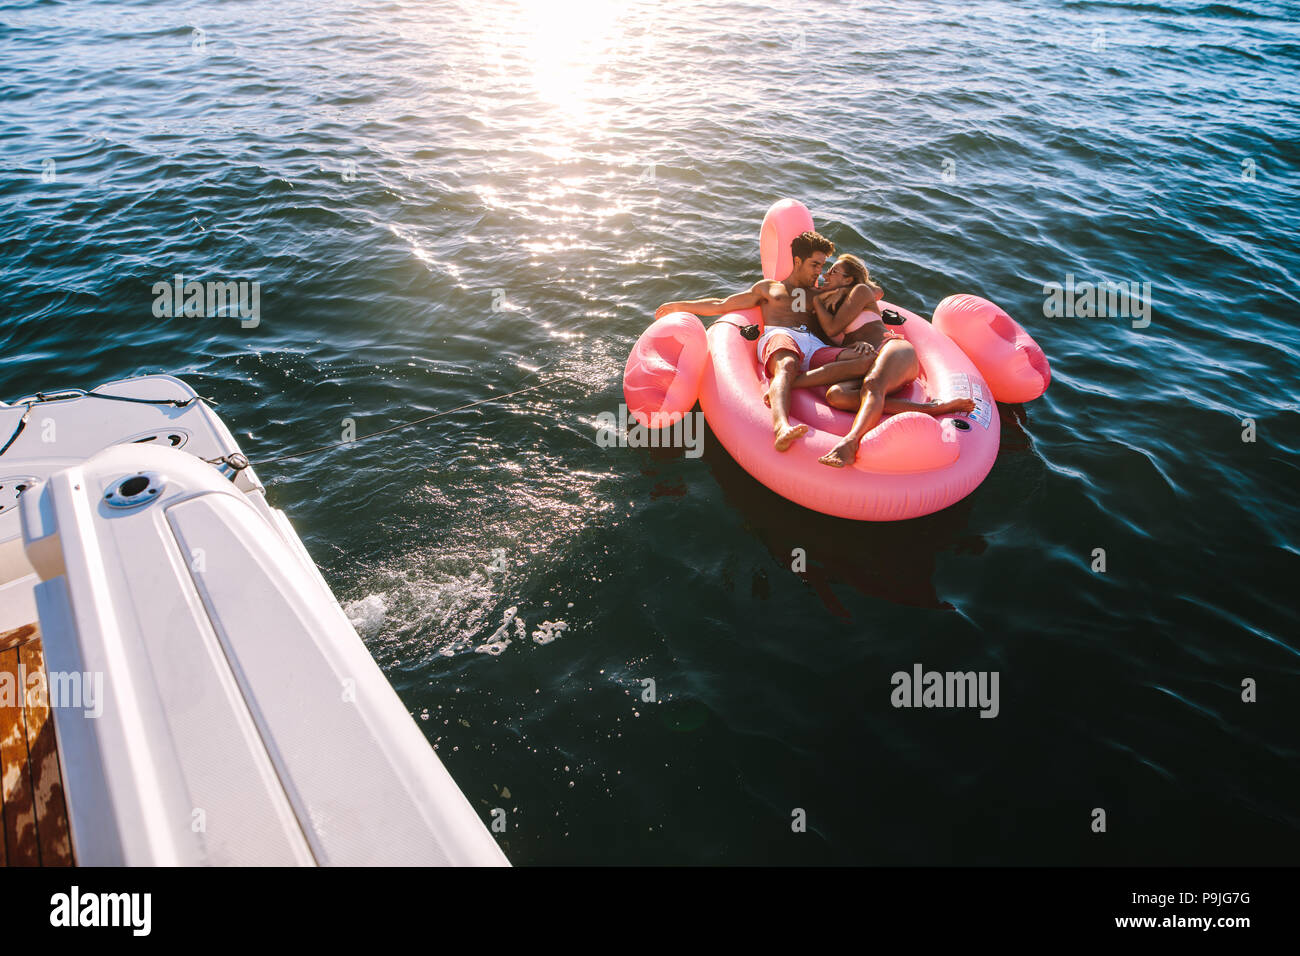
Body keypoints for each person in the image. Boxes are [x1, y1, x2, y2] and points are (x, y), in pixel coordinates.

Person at [654, 230, 848, 452]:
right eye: (815, 265)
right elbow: (721, 304)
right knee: (786, 364)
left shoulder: (819, 294)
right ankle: (781, 427)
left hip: (813, 344)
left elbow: (863, 301)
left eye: (822, 266)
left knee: (859, 360)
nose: (819, 272)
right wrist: (680, 306)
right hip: (781, 336)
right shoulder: (769, 288)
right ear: (798, 260)